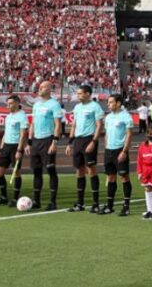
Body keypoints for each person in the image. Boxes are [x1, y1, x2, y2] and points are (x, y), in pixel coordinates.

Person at [26, 81, 64, 211]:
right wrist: (29, 142)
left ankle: (53, 202)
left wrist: (55, 141)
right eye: (39, 87)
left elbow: (58, 124)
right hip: (36, 141)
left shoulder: (54, 104)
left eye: (43, 87)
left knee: (50, 170)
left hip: (48, 140)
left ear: (49, 89)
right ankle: (36, 201)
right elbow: (33, 123)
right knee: (36, 171)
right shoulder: (36, 105)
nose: (39, 89)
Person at [67, 85, 104, 213]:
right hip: (78, 140)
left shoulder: (95, 106)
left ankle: (95, 204)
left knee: (91, 170)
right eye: (77, 94)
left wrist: (93, 142)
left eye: (80, 93)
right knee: (79, 171)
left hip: (89, 139)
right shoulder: (77, 107)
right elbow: (74, 125)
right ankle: (80, 203)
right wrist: (69, 142)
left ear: (88, 94)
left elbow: (99, 126)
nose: (78, 96)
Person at [101, 94, 134, 216]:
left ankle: (126, 207)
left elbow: (129, 134)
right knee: (110, 177)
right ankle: (110, 206)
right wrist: (106, 147)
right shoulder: (108, 117)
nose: (108, 104)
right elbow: (106, 134)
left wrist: (124, 151)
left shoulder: (126, 117)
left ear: (118, 103)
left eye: (111, 102)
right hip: (109, 151)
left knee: (124, 177)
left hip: (120, 150)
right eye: (108, 102)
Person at [0, 94, 28, 206]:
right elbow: (5, 135)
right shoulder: (8, 116)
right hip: (6, 147)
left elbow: (23, 135)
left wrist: (19, 150)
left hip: (15, 147)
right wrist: (0, 150)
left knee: (16, 172)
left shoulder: (22, 116)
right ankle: (4, 197)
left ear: (18, 103)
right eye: (7, 103)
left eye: (11, 103)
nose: (8, 105)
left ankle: (15, 199)